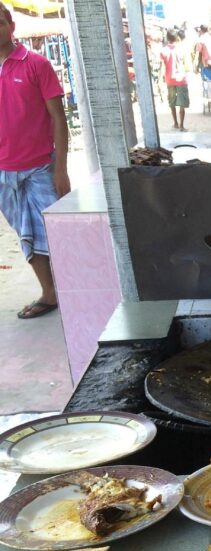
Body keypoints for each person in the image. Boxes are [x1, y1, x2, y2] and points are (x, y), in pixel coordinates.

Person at [0, 3, 69, 320]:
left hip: (41, 166)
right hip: (4, 172)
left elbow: (58, 118)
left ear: (10, 24)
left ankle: (73, 288)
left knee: (55, 233)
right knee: (26, 235)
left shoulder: (36, 64)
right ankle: (50, 292)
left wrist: (61, 169)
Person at [160, 30, 189, 131]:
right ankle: (181, 125)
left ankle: (175, 123)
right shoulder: (182, 49)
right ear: (177, 38)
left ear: (167, 38)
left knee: (172, 102)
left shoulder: (163, 50)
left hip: (169, 79)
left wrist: (161, 81)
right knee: (182, 103)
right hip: (181, 79)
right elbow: (186, 64)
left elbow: (162, 67)